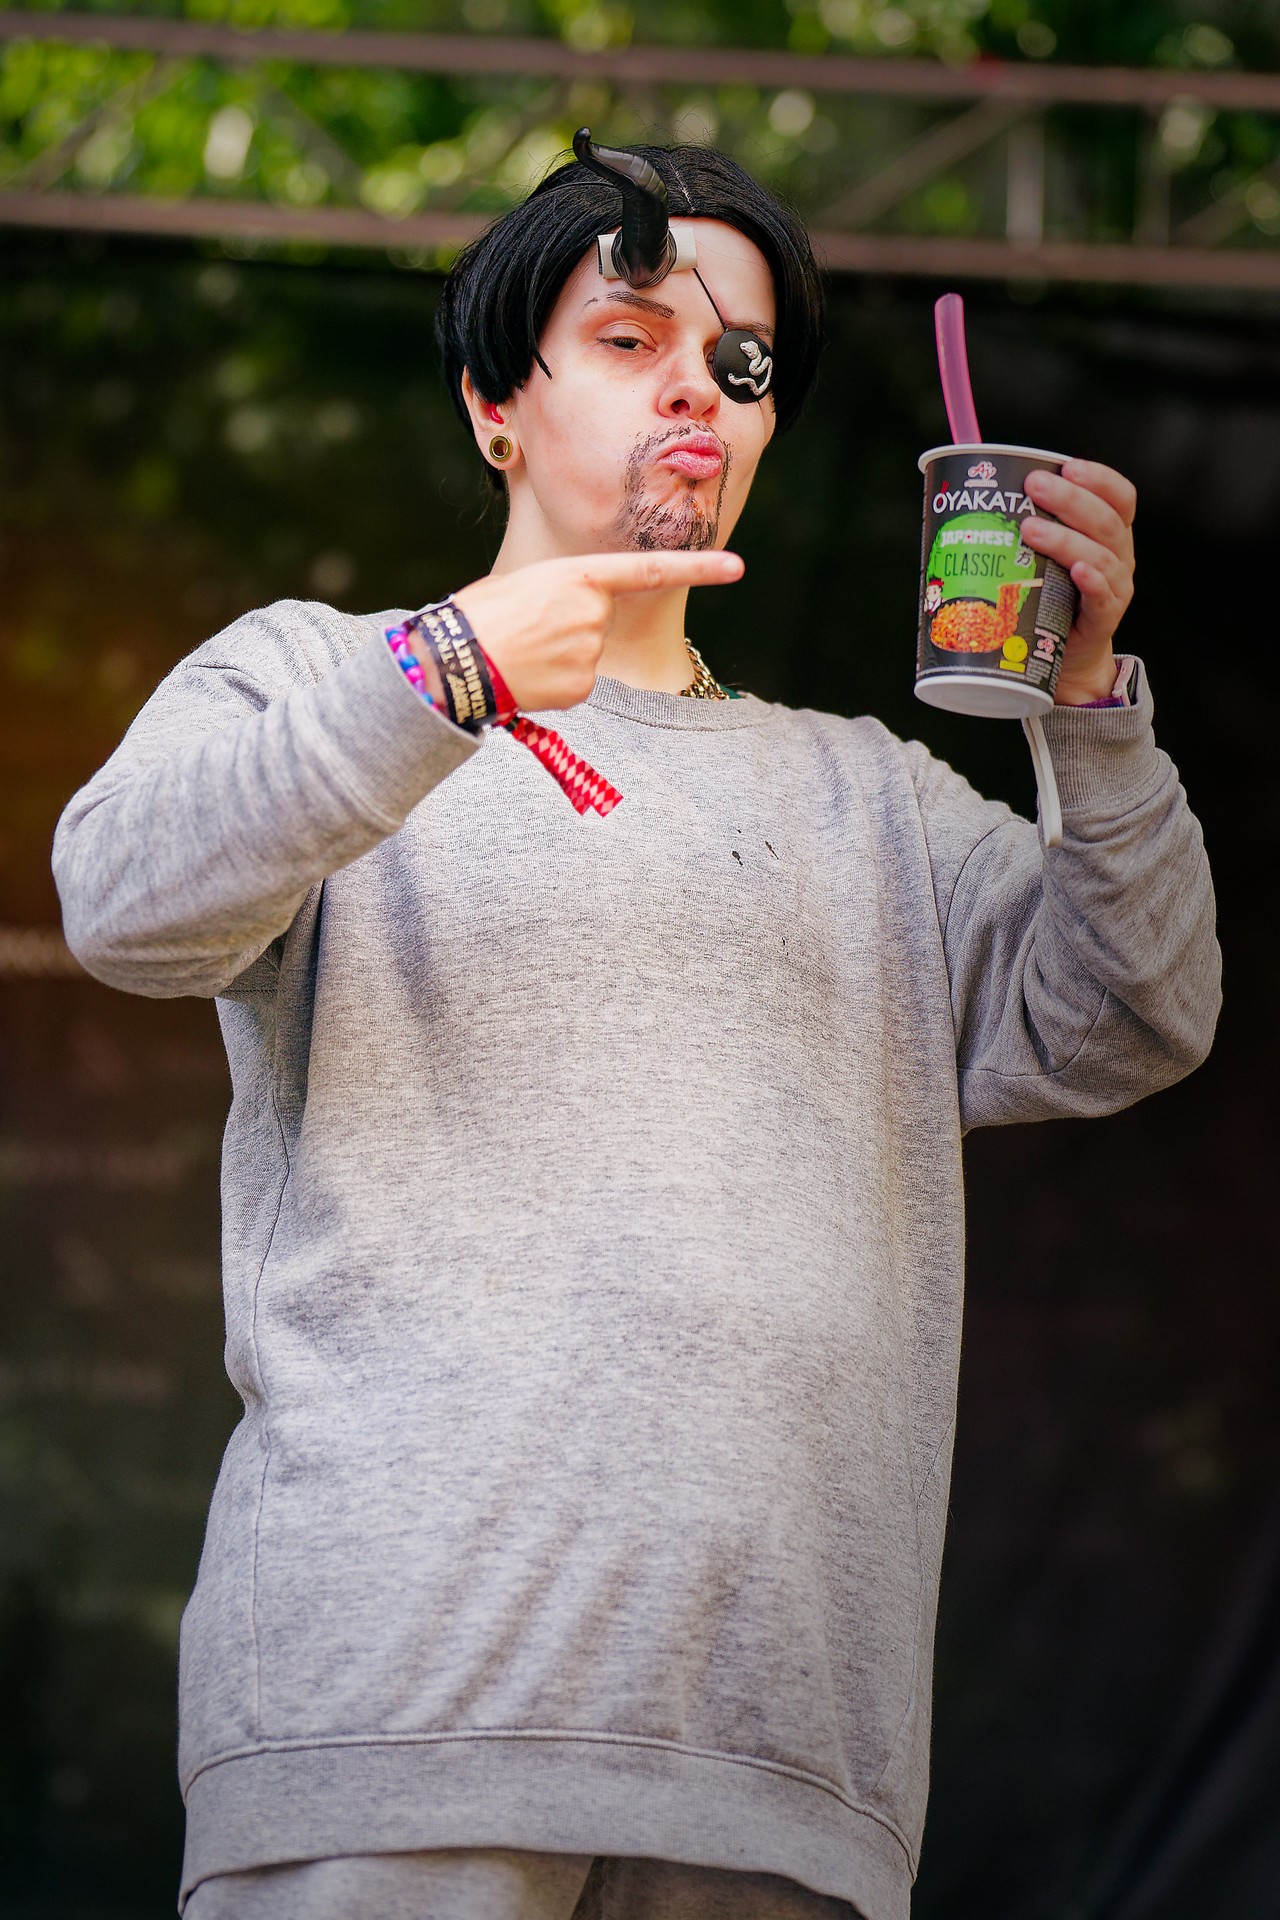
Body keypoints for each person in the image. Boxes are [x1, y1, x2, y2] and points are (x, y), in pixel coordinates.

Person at [51, 133, 1221, 1920]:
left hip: (778, 1760)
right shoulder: (322, 674)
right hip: (395, 1721)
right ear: (493, 409)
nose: (699, 387)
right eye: (629, 337)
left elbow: (1140, 1009)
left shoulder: (873, 803)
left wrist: (1087, 701)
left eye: (743, 363)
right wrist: (448, 674)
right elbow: (124, 902)